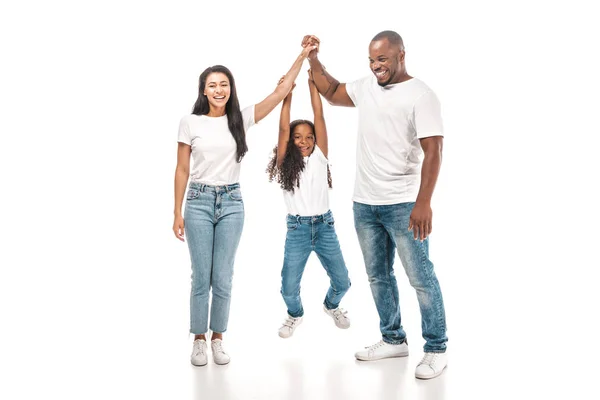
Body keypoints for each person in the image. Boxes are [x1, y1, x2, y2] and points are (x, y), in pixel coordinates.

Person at [300, 30, 448, 379]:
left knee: (420, 277)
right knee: (378, 276)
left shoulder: (421, 95)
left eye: (382, 58)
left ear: (401, 55)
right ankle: (393, 338)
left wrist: (424, 202)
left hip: (403, 204)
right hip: (364, 203)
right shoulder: (366, 87)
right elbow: (333, 92)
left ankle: (436, 347)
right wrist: (313, 58)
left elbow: (434, 151)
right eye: (371, 59)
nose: (376, 65)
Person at [173, 43, 316, 366]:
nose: (219, 89)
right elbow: (182, 169)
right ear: (204, 90)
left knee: (223, 276)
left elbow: (279, 93)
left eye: (224, 84)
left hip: (232, 202)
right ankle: (198, 339)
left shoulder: (241, 118)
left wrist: (302, 56)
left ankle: (218, 338)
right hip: (197, 201)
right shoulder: (190, 122)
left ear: (230, 89)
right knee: (201, 276)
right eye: (212, 85)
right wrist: (176, 212)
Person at [266, 70, 351, 339]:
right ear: (290, 141)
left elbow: (320, 116)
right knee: (288, 288)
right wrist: (287, 96)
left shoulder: (320, 157)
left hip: (325, 226)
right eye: (298, 137)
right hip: (298, 230)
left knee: (343, 282)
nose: (304, 141)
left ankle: (331, 306)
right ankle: (294, 314)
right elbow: (282, 127)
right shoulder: (284, 163)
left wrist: (312, 85)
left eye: (309, 137)